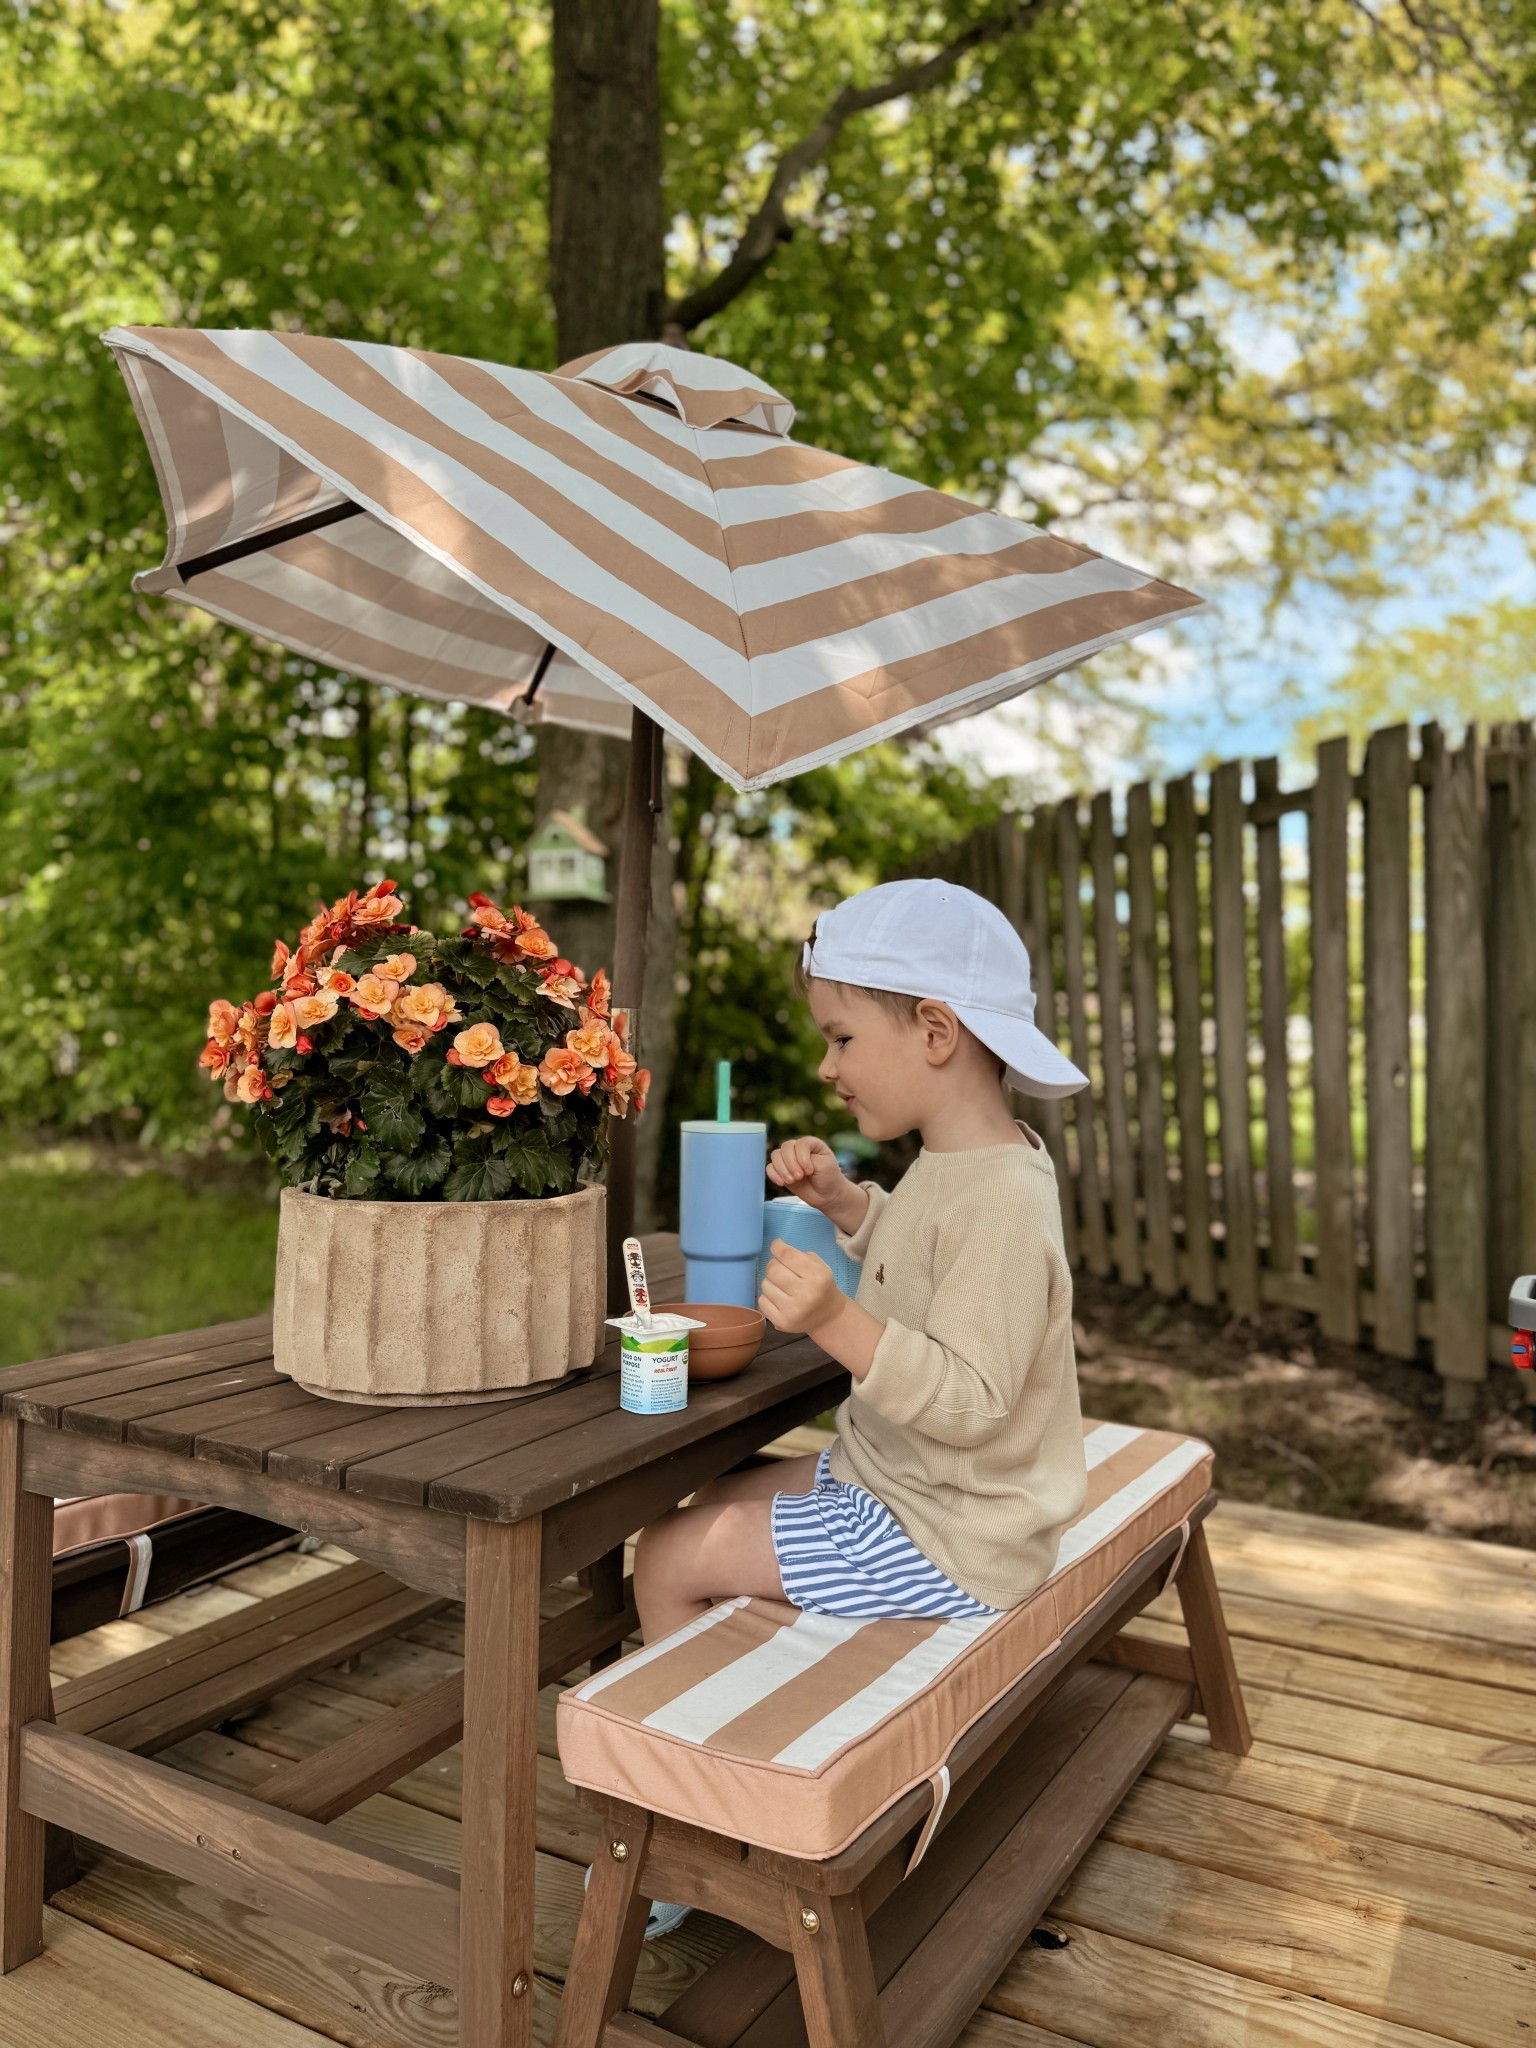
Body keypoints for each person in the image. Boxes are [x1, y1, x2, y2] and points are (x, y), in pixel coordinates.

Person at [633, 877, 1092, 1643]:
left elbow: (972, 1402)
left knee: (668, 1558)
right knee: (710, 1494)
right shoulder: (958, 1161)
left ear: (935, 1032)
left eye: (841, 1038)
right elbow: (933, 1255)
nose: (825, 1066)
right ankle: (764, 1667)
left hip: (950, 1535)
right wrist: (847, 1203)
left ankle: (693, 1753)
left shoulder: (1002, 1196)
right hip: (899, 1481)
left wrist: (833, 1319)